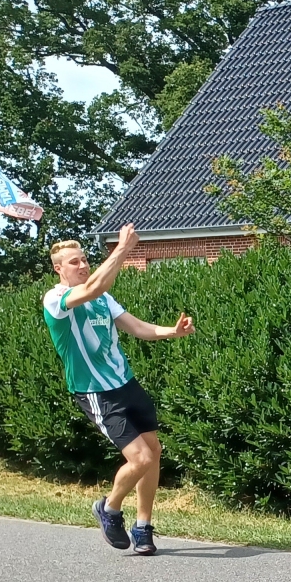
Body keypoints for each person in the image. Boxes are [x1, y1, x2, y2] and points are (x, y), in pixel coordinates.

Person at [43, 225, 195, 555]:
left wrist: (172, 331)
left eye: (84, 259)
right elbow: (95, 286)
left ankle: (143, 527)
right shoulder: (56, 300)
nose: (82, 265)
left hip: (126, 384)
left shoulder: (104, 299)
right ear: (58, 269)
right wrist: (123, 249)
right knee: (140, 458)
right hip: (96, 392)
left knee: (153, 452)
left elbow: (137, 327)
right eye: (74, 262)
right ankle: (109, 508)